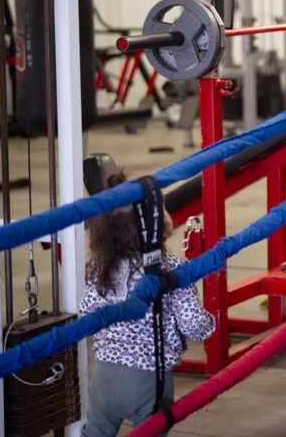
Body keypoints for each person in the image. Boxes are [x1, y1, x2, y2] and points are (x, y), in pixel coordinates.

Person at [80, 171, 215, 437]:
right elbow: (193, 324)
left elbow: (87, 314)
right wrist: (211, 323)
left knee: (95, 432)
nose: (167, 212)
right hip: (148, 381)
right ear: (153, 228)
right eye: (161, 208)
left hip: (103, 376)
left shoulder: (98, 269)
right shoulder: (170, 270)